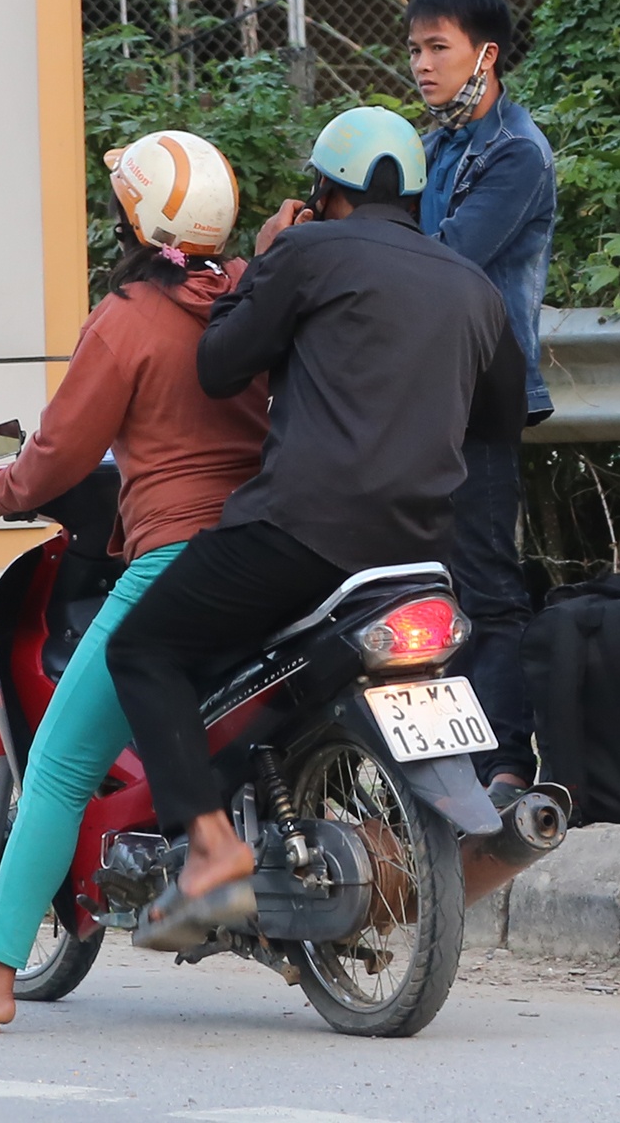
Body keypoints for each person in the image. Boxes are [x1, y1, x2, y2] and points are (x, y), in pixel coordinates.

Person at [105, 106, 524, 946]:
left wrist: (265, 263)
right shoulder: (471, 286)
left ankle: (212, 848)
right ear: (416, 195)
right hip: (420, 559)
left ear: (323, 193)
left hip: (300, 536)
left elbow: (221, 367)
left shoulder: (306, 251)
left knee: (142, 649)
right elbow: (502, 420)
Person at [0, 132, 269, 1033]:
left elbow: (56, 454)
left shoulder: (129, 316)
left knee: (56, 765)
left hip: (173, 556)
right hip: (267, 549)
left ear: (134, 218)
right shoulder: (251, 294)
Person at [407, 0, 556, 808]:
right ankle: (441, 757)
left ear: (485, 55)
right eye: (417, 51)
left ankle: (506, 761)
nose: (423, 66)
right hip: (423, 390)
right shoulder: (437, 147)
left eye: (440, 48)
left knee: (487, 581)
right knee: (420, 584)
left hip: (484, 391)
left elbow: (445, 261)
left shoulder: (515, 152)